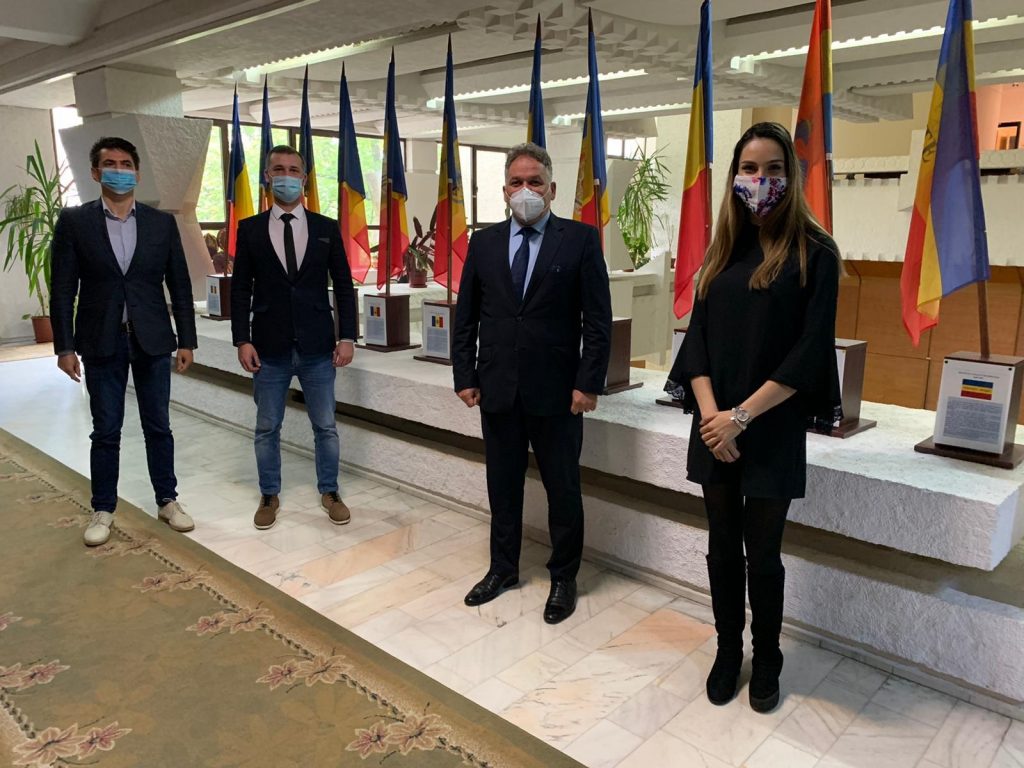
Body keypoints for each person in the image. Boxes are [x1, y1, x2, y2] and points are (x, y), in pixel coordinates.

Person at [666, 122, 842, 713]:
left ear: (790, 176)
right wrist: (713, 418)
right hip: (714, 425)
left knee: (762, 554)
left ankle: (767, 655)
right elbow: (697, 343)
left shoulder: (816, 253)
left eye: (772, 169)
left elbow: (810, 353)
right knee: (721, 548)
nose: (759, 180)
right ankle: (728, 649)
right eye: (749, 168)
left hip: (770, 426)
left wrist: (741, 417)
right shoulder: (722, 252)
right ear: (734, 176)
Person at [452, 142, 612, 625]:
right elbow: (467, 316)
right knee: (502, 487)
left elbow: (597, 322)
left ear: (552, 189)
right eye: (517, 182)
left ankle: (564, 577)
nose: (526, 190)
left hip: (559, 393)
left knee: (563, 489)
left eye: (535, 182)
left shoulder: (580, 240)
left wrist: (588, 383)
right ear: (504, 191)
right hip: (497, 388)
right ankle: (503, 569)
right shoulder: (483, 243)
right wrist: (465, 375)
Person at [50, 136, 198, 547]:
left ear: (137, 172)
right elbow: (62, 289)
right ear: (95, 172)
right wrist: (64, 347)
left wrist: (187, 339)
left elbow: (179, 284)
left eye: (126, 164)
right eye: (110, 164)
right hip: (101, 340)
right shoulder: (75, 222)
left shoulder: (160, 223)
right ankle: (103, 508)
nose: (119, 170)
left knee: (158, 425)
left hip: (152, 339)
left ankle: (167, 500)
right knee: (106, 430)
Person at [231, 145, 357, 531]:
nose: (286, 176)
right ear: (267, 177)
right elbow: (240, 288)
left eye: (293, 170)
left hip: (318, 347)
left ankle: (330, 491)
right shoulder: (250, 229)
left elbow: (344, 285)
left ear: (304, 179)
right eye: (278, 169)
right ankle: (269, 494)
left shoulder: (325, 228)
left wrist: (347, 336)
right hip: (268, 348)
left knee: (326, 426)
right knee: (267, 426)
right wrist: (241, 339)